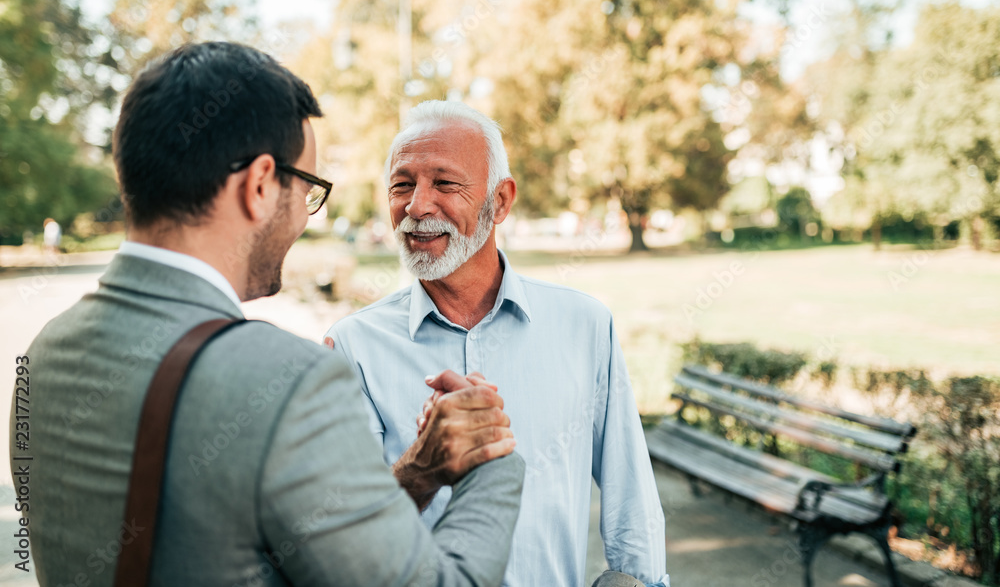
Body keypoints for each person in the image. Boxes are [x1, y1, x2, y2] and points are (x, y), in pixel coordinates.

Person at [11, 43, 524, 586]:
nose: (304, 220)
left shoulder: (44, 353)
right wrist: (494, 458)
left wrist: (418, 472)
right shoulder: (289, 380)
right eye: (308, 190)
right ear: (259, 185)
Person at [323, 100, 668, 587]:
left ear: (500, 201)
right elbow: (342, 538)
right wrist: (421, 468)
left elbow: (630, 496)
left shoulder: (584, 324)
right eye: (403, 185)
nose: (417, 206)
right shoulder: (353, 346)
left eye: (445, 183)